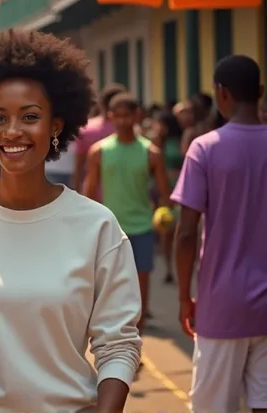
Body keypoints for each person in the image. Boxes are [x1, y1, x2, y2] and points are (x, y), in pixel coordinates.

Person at [0, 29, 142, 413]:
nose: (12, 132)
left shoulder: (97, 226)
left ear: (56, 126)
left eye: (30, 117)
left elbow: (118, 345)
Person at [172, 55, 267, 413]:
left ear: (221, 93)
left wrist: (184, 296)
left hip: (222, 305)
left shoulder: (205, 148)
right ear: (259, 92)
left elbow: (185, 234)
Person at [84, 93, 171, 329]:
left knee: (140, 288)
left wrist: (164, 213)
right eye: (118, 116)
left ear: (137, 116)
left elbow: (165, 195)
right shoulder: (99, 152)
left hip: (142, 227)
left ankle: (137, 342)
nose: (122, 121)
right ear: (110, 117)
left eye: (127, 115)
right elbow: (89, 193)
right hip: (111, 230)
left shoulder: (151, 153)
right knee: (111, 289)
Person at [71, 83, 126, 193]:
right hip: (126, 194)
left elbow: (78, 166)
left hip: (93, 194)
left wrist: (75, 191)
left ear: (101, 104)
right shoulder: (129, 130)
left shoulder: (86, 130)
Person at [151, 109, 184, 284]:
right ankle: (168, 267)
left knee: (179, 230)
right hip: (162, 191)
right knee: (165, 230)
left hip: (180, 189)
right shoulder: (156, 143)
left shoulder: (178, 140)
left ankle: (179, 266)